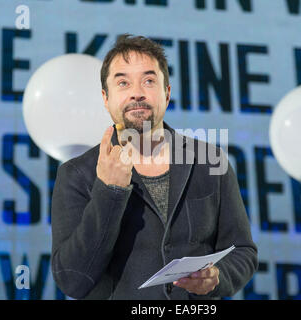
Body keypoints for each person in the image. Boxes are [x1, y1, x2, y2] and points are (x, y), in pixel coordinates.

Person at [50, 34, 258, 300]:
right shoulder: (77, 174)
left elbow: (243, 251)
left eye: (149, 81)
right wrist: (109, 190)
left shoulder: (209, 161)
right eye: (123, 82)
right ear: (106, 98)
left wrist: (217, 277)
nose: (137, 93)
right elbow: (72, 280)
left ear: (167, 93)